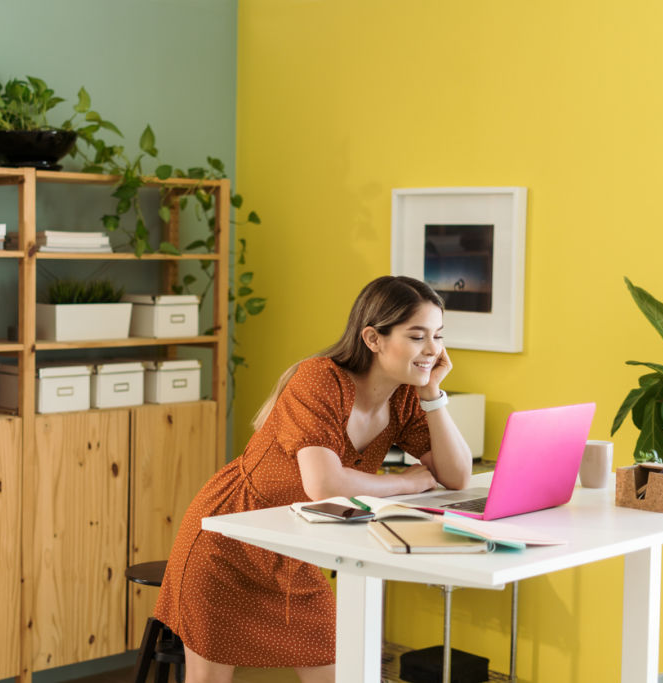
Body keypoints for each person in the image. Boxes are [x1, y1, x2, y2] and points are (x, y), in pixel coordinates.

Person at [153, 275, 473, 683]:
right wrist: (406, 483)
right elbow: (323, 485)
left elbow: (457, 476)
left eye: (438, 336)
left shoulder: (406, 396)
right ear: (373, 339)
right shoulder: (320, 379)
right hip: (226, 543)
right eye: (417, 337)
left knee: (342, 672)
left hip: (294, 550)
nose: (433, 350)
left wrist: (433, 395)